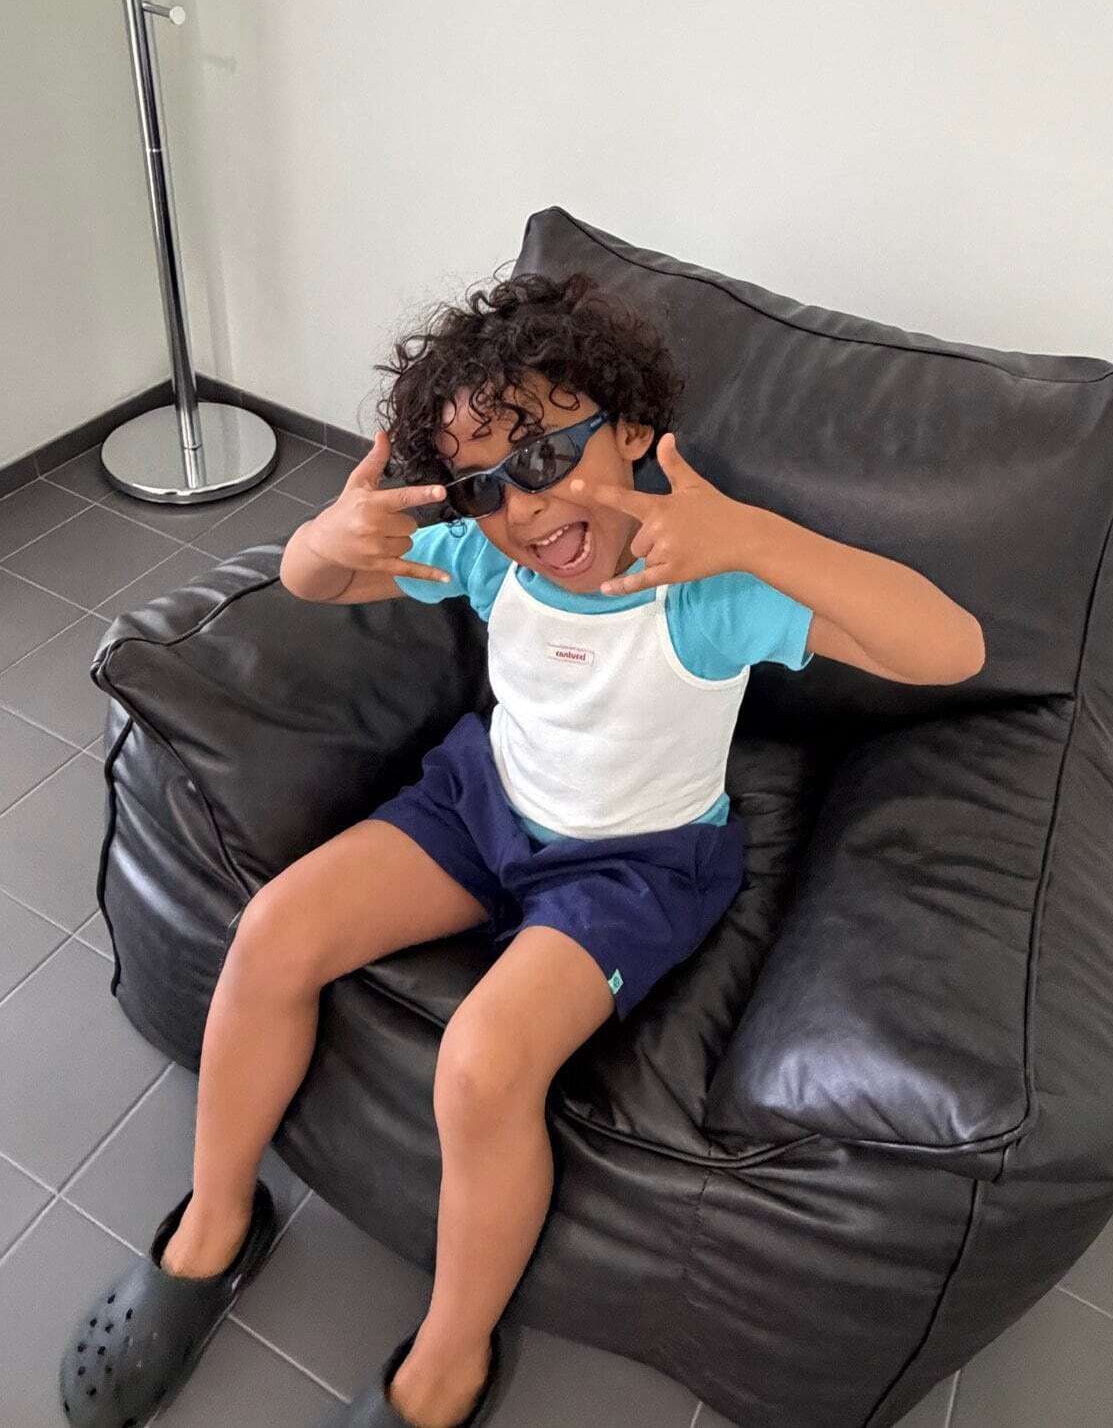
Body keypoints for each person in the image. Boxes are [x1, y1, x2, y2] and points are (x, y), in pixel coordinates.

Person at [60, 271, 985, 1428]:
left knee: (482, 1067)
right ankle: (212, 1226)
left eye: (545, 455)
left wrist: (752, 538)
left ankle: (448, 1362)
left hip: (634, 868)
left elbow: (950, 650)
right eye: (486, 485)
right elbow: (316, 582)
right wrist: (320, 537)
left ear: (632, 428)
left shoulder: (704, 590)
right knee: (274, 930)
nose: (525, 506)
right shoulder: (492, 558)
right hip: (482, 805)